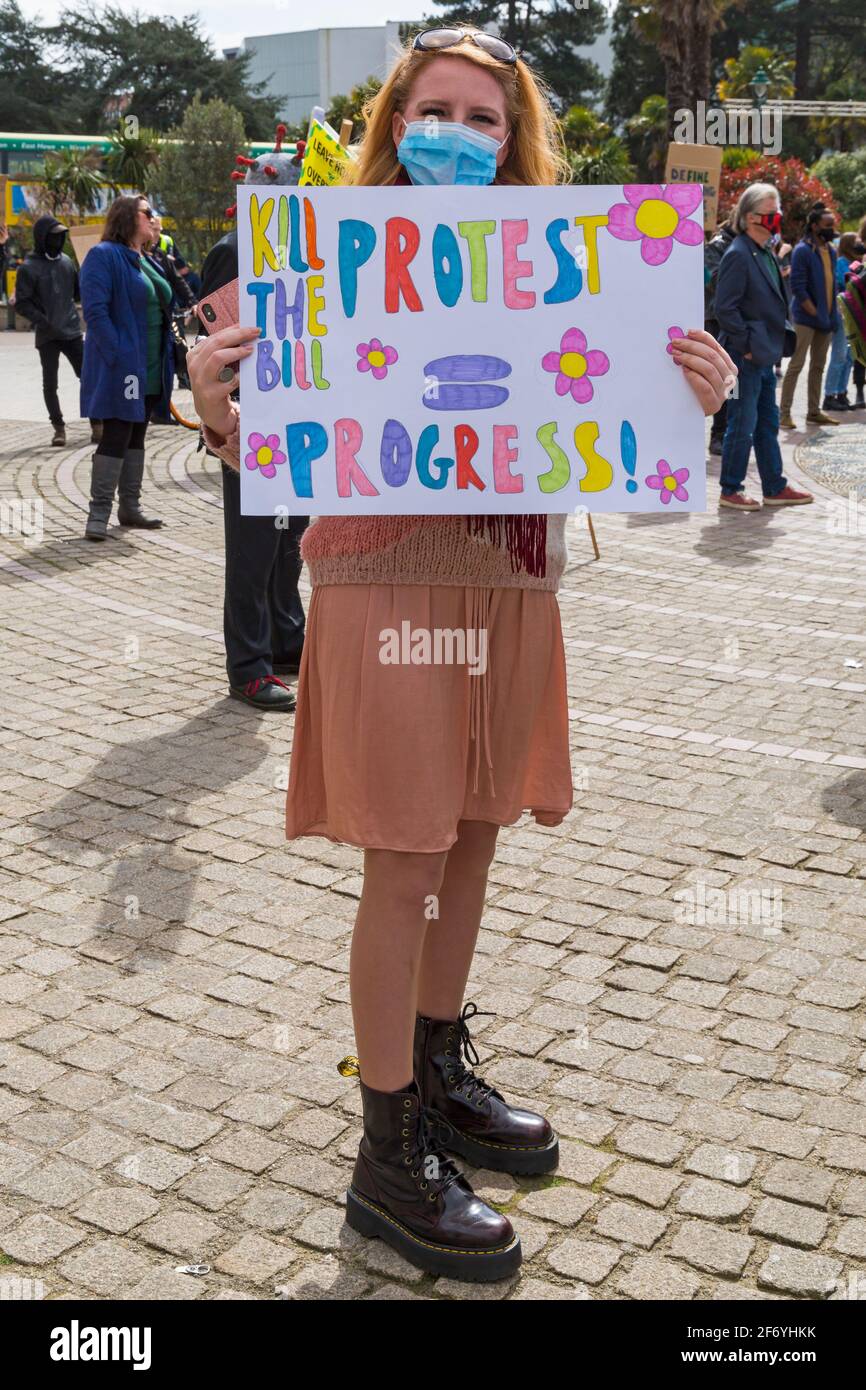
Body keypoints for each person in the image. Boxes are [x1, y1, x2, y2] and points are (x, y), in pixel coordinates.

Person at [189, 25, 736, 1282]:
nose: (457, 134)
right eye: (432, 111)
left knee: (473, 839)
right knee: (407, 858)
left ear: (514, 136)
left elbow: (629, 454)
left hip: (512, 583)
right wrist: (219, 409)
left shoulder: (574, 259)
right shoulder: (321, 258)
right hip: (385, 585)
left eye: (483, 118)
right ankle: (385, 1158)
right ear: (393, 126)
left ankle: (432, 1076)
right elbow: (259, 441)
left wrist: (682, 402)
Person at [195, 127, 309, 711]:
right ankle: (248, 664)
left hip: (304, 417)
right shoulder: (236, 250)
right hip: (253, 419)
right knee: (253, 547)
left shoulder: (310, 248)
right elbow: (220, 344)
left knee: (291, 541)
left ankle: (288, 636)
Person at [714, 183, 812, 510]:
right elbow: (724, 307)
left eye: (777, 212)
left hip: (764, 355)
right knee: (741, 424)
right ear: (751, 216)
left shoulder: (764, 250)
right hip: (745, 359)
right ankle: (730, 489)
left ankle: (774, 486)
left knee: (767, 423)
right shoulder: (738, 254)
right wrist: (746, 347)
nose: (777, 219)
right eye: (771, 214)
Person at [79, 195, 172, 540]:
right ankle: (98, 513)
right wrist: (118, 355)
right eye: (147, 212)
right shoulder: (103, 255)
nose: (153, 218)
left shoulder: (145, 258)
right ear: (127, 217)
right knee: (117, 432)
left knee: (137, 432)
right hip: (125, 365)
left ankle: (130, 507)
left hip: (149, 363)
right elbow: (95, 312)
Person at [13, 214, 101, 448]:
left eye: (61, 236)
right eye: (53, 236)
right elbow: (21, 302)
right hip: (47, 335)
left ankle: (97, 424)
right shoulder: (28, 268)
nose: (58, 240)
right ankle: (58, 428)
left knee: (89, 377)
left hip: (72, 331)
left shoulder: (66, 263)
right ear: (42, 238)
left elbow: (77, 293)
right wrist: (42, 320)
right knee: (50, 384)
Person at [779, 202, 840, 429]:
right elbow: (798, 286)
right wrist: (815, 313)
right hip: (806, 319)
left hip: (826, 318)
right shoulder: (803, 250)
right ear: (814, 226)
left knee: (818, 366)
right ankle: (784, 414)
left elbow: (832, 286)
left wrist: (830, 316)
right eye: (827, 225)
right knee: (796, 365)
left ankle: (813, 411)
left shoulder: (831, 251)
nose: (831, 228)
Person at [704, 217, 736, 454]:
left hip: (740, 323)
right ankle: (718, 433)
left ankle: (731, 432)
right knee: (723, 380)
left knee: (735, 383)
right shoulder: (716, 247)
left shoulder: (754, 247)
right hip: (717, 321)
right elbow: (713, 281)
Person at [823, 231, 864, 411]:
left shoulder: (857, 262)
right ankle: (829, 395)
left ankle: (842, 393)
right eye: (855, 241)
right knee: (839, 356)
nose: (859, 244)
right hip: (842, 313)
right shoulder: (841, 263)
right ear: (848, 244)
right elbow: (842, 285)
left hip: (853, 315)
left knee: (849, 357)